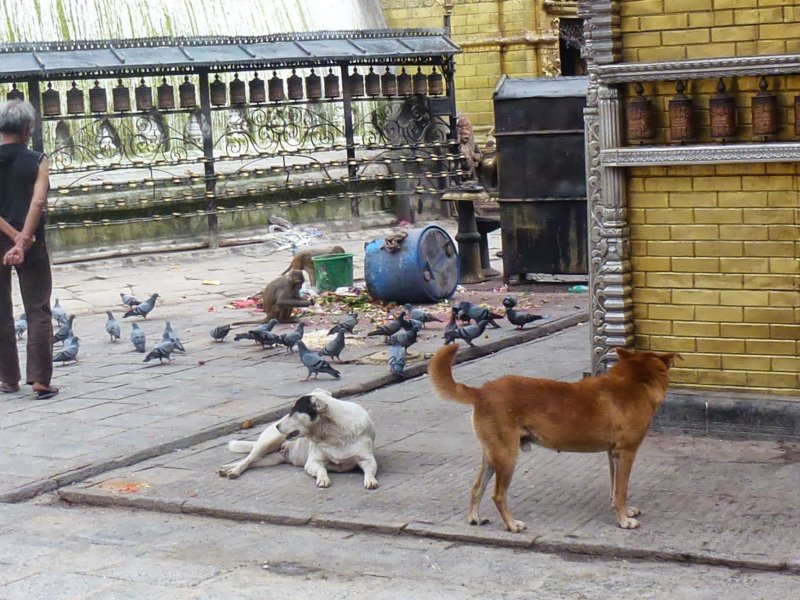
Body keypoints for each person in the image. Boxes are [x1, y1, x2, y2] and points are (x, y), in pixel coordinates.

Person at [0, 99, 58, 399]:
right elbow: (37, 202)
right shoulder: (38, 160)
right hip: (32, 240)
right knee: (37, 308)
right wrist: (23, 240)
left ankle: (8, 378)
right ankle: (40, 380)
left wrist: (10, 237)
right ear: (27, 130)